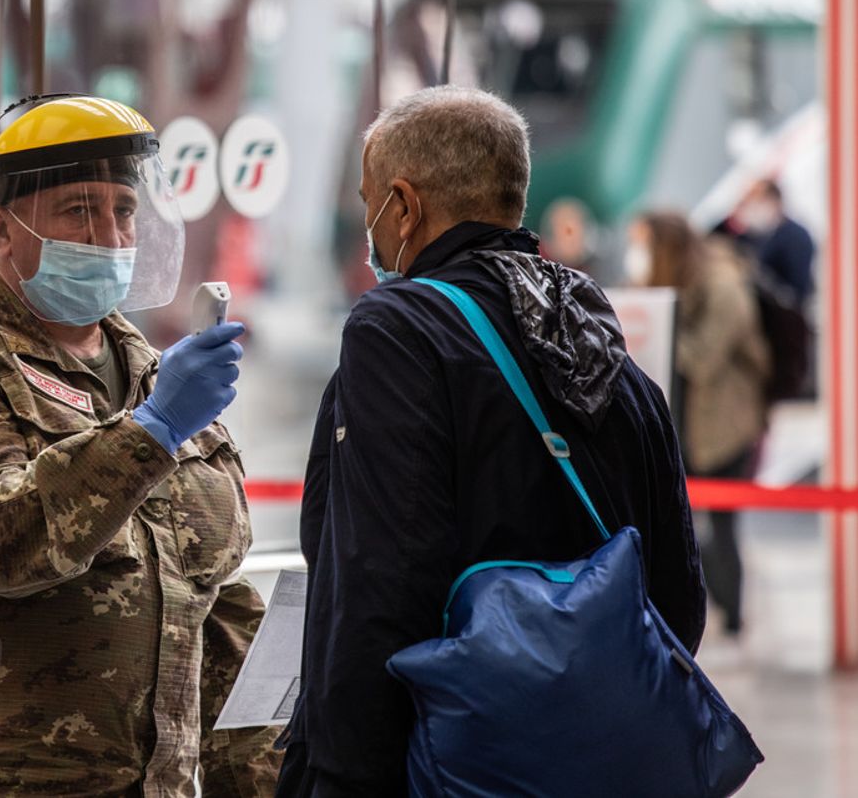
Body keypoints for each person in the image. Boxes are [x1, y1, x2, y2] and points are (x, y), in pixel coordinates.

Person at [277, 87, 705, 797]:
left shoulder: (400, 330)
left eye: (369, 201)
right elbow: (676, 607)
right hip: (598, 760)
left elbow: (380, 579)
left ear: (405, 207)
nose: (370, 226)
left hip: (449, 765)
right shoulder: (612, 356)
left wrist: (339, 771)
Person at [0, 95, 281, 797]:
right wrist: (150, 433)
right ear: (2, 230)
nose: (109, 235)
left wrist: (262, 779)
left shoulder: (154, 377)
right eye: (77, 211)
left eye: (123, 210)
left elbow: (215, 607)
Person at [625, 210, 769, 636]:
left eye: (646, 243)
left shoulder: (724, 284)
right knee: (678, 522)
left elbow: (704, 359)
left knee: (723, 526)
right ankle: (692, 608)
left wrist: (655, 325)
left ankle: (733, 615)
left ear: (666, 245)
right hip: (682, 426)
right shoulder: (665, 279)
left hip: (725, 427)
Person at [735, 178, 816, 308]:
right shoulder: (748, 237)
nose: (751, 209)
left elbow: (798, 292)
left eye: (757, 203)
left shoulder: (795, 237)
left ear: (775, 202)